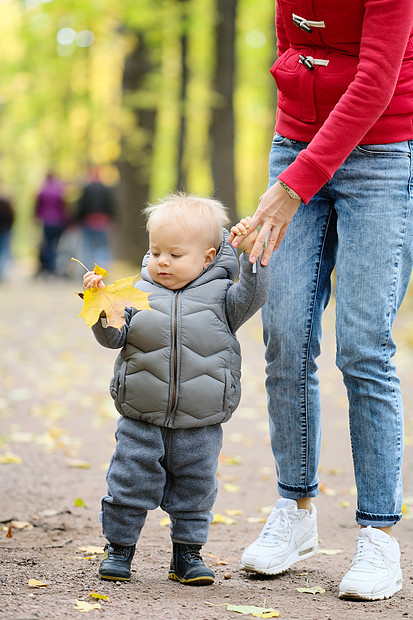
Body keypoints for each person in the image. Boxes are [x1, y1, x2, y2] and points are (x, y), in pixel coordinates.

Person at [231, 0, 413, 602]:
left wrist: (292, 185)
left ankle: (379, 534)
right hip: (296, 146)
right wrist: (293, 149)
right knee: (284, 336)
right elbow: (293, 49)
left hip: (383, 153)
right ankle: (296, 507)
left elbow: (375, 78)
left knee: (364, 347)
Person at [83, 193, 269, 585]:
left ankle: (187, 554)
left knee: (195, 489)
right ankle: (119, 548)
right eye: (155, 252)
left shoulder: (224, 299)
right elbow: (112, 338)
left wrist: (252, 258)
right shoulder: (136, 295)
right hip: (141, 415)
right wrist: (101, 306)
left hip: (200, 421)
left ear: (207, 256)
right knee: (129, 483)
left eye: (174, 254)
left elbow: (254, 296)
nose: (161, 261)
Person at [77, 167, 115, 269]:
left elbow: (81, 205)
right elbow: (111, 205)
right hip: (103, 223)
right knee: (102, 247)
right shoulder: (105, 189)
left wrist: (77, 220)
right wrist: (113, 220)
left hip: (88, 222)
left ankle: (87, 271)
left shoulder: (87, 188)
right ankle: (102, 270)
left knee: (87, 248)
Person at [34, 172, 67, 276]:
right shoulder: (59, 189)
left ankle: (49, 267)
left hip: (46, 221)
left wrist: (36, 217)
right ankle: (54, 267)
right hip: (58, 221)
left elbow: (38, 206)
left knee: (48, 244)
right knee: (56, 245)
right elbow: (63, 206)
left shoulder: (42, 190)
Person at [0, 193, 14, 281]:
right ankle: (1, 272)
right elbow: (12, 217)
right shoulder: (7, 206)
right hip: (5, 230)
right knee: (4, 251)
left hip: (5, 230)